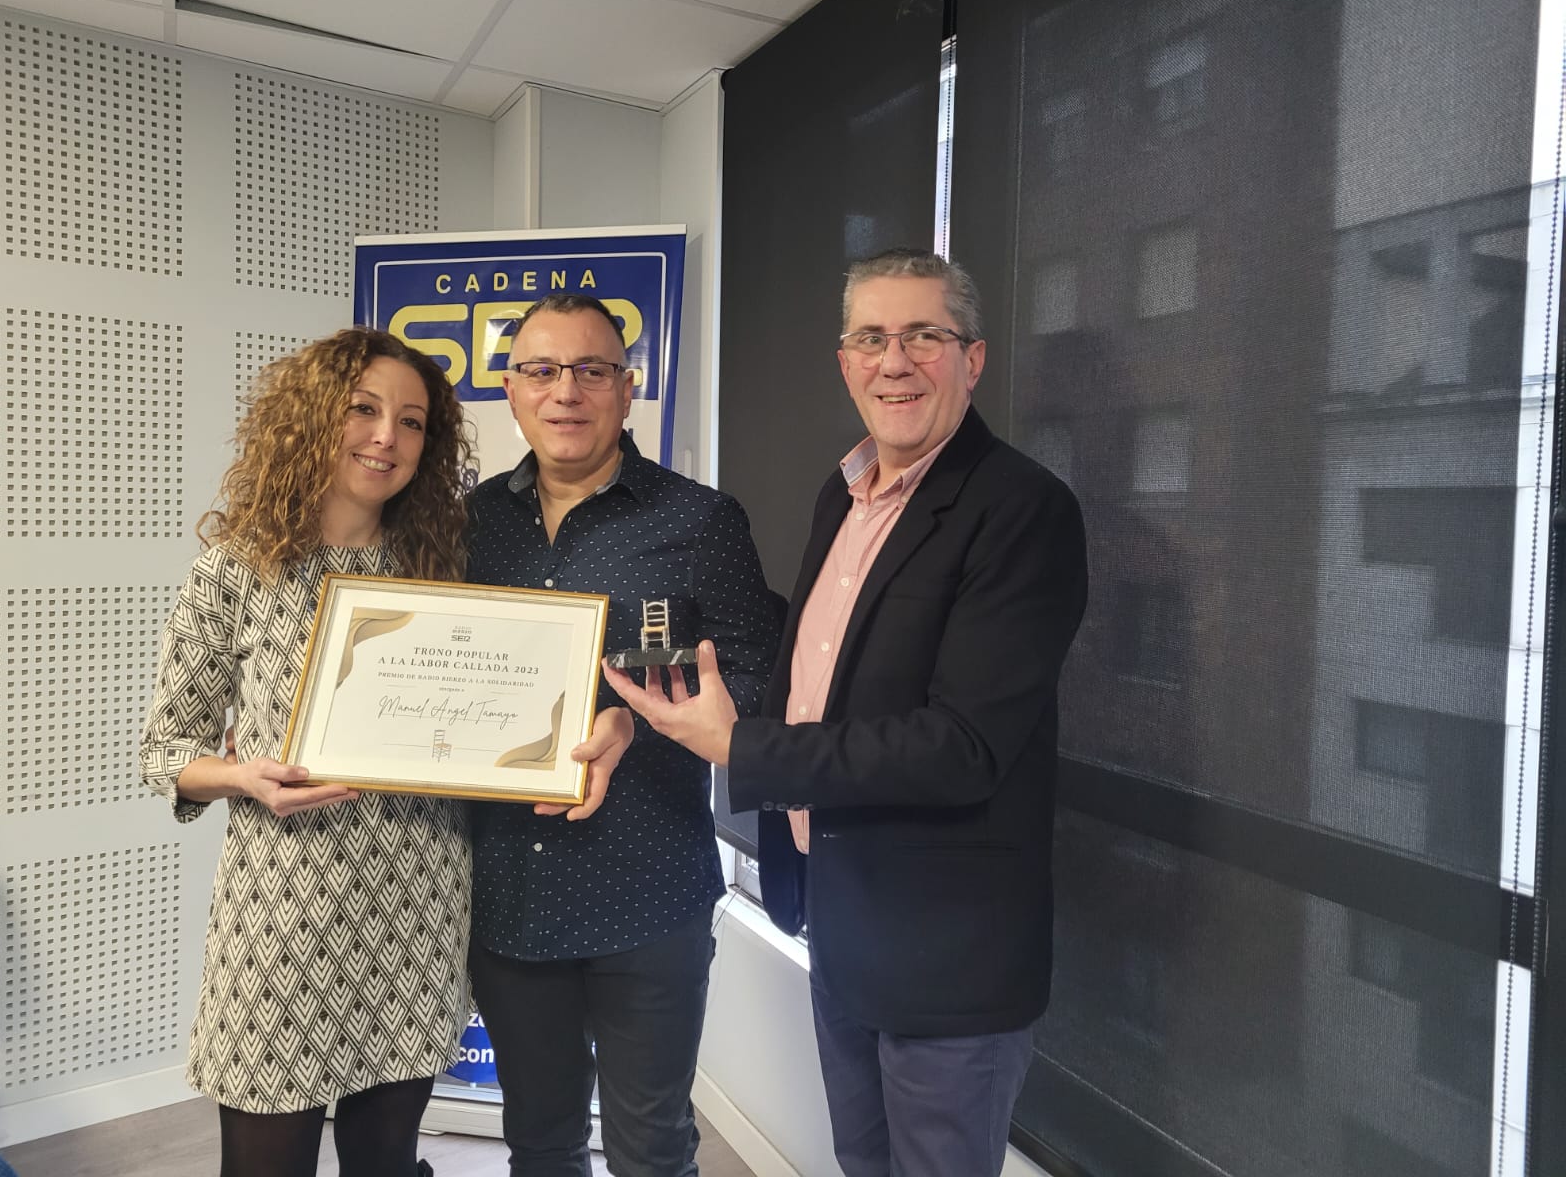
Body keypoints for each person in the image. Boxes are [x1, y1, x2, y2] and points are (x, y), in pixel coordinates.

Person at [606, 249, 1089, 1177]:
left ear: (973, 358)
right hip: (842, 918)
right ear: (844, 360)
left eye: (923, 336)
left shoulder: (1023, 509)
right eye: (871, 337)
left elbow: (963, 747)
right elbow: (818, 674)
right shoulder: (847, 492)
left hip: (949, 955)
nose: (894, 361)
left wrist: (741, 748)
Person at [139, 328, 631, 1177]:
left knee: (386, 1162)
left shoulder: (443, 564)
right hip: (284, 912)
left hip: (417, 905)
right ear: (310, 421)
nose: (385, 439)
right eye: (363, 412)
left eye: (410, 423)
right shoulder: (235, 568)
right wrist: (242, 777)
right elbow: (166, 750)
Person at [463, 294, 779, 1176]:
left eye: (591, 369)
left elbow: (756, 677)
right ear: (510, 389)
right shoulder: (468, 525)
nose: (566, 391)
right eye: (541, 370)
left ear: (628, 387)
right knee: (540, 1140)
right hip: (509, 891)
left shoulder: (700, 522)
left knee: (652, 1146)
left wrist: (636, 723)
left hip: (648, 891)